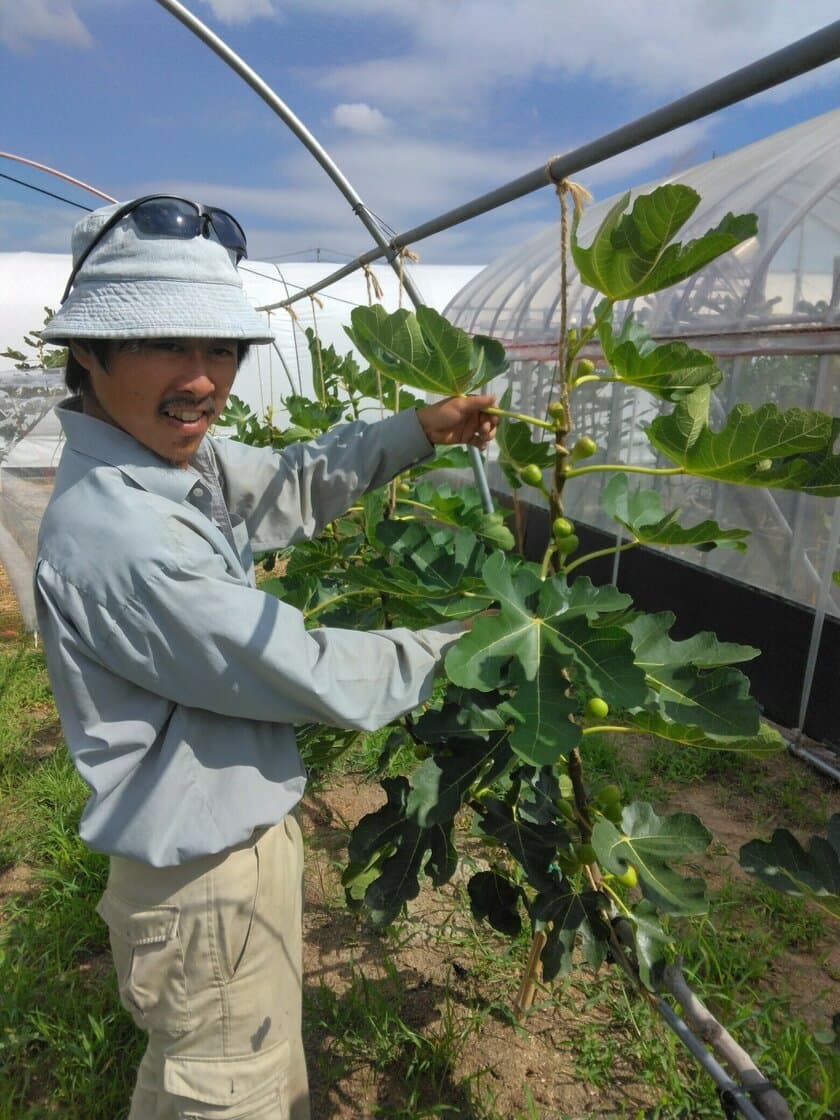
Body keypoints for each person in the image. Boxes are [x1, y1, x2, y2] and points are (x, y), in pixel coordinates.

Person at [35, 195, 498, 1120]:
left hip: (230, 850)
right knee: (226, 1093)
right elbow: (300, 666)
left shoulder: (168, 462)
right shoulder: (121, 534)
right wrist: (469, 648)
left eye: (223, 350)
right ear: (88, 351)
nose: (204, 380)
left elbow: (283, 482)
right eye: (172, 345)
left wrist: (419, 430)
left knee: (217, 1079)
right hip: (201, 884)